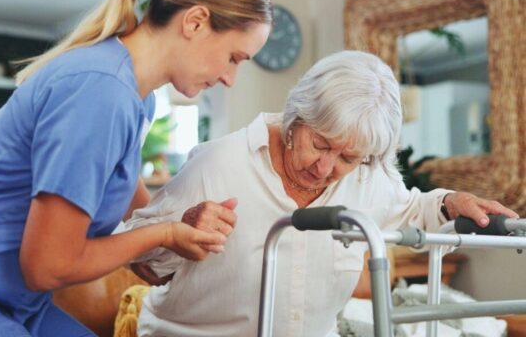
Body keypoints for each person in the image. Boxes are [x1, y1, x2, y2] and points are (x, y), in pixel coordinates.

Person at [0, 0, 272, 336]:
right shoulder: (100, 92)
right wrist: (166, 234)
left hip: (3, 296)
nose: (230, 78)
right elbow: (48, 266)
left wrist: (176, 230)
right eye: (234, 57)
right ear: (195, 21)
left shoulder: (137, 99)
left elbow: (137, 226)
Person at [123, 50, 519, 337]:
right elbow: (144, 264)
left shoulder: (366, 179)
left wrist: (449, 202)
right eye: (321, 144)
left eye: (348, 156)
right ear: (297, 118)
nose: (326, 168)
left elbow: (414, 209)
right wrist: (182, 229)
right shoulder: (218, 164)